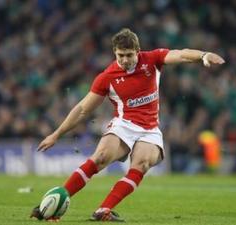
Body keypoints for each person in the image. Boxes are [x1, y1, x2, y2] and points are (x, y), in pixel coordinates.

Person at [30, 28, 225, 222]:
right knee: (100, 158)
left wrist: (203, 55)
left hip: (150, 130)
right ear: (115, 52)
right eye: (120, 55)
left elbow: (181, 54)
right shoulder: (107, 77)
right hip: (124, 125)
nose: (124, 60)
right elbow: (82, 109)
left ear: (137, 51)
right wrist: (56, 134)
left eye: (129, 55)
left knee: (142, 164)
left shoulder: (152, 59)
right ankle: (55, 201)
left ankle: (103, 210)